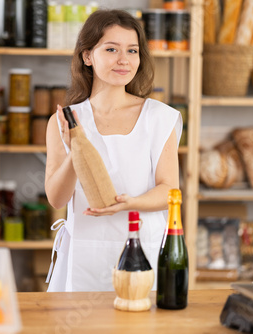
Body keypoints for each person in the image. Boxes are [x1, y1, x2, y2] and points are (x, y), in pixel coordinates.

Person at [44, 9, 182, 292]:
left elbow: (170, 190)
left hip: (143, 250)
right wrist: (76, 150)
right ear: (87, 56)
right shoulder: (66, 120)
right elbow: (57, 199)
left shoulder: (159, 117)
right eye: (111, 49)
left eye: (132, 50)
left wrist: (129, 203)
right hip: (85, 254)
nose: (124, 60)